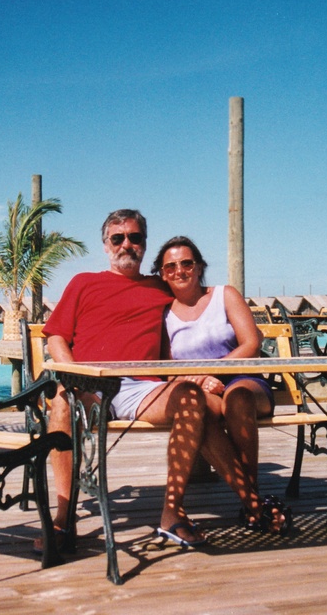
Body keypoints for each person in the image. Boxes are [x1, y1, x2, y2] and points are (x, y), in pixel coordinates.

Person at [41, 209, 210, 548]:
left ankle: (172, 514)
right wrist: (73, 372)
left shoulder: (160, 287)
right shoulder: (83, 283)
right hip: (89, 384)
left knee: (191, 397)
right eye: (118, 238)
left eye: (135, 237)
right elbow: (56, 337)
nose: (127, 244)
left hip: (143, 389)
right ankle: (63, 518)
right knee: (60, 400)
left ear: (145, 245)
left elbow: (200, 303)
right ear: (106, 246)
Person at [152, 235, 290, 534]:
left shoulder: (224, 295)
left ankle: (250, 500)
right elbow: (166, 365)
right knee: (200, 410)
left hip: (242, 378)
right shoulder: (162, 313)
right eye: (171, 266)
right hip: (197, 387)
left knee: (238, 399)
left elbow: (251, 343)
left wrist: (217, 373)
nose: (180, 271)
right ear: (162, 274)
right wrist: (200, 380)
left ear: (199, 266)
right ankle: (255, 504)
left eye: (186, 263)